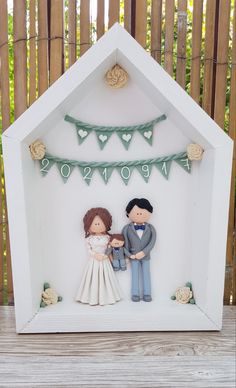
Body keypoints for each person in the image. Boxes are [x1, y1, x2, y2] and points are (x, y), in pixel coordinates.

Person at [75, 208, 121, 306]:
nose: (97, 225)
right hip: (94, 261)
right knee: (92, 278)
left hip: (104, 260)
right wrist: (95, 255)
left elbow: (109, 248)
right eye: (94, 223)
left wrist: (105, 255)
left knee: (106, 278)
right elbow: (89, 249)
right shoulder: (89, 239)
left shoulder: (108, 238)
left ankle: (107, 297)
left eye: (100, 223)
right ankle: (92, 297)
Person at [122, 198, 156, 302]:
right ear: (128, 213)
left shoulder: (151, 228)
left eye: (143, 212)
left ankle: (147, 293)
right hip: (133, 256)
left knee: (146, 275)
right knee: (134, 276)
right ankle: (135, 294)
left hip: (145, 256)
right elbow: (125, 243)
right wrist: (128, 255)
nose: (140, 215)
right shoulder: (127, 228)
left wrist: (144, 252)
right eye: (137, 213)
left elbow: (152, 242)